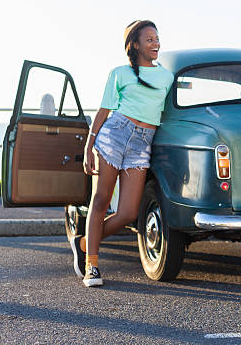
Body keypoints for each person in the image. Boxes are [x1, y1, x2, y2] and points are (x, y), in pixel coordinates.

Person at [69, 20, 174, 287]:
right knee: (102, 198)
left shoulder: (166, 77)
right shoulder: (120, 73)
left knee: (128, 213)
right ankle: (92, 264)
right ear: (135, 45)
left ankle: (82, 242)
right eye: (149, 39)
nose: (156, 44)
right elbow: (104, 110)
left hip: (142, 143)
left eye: (157, 38)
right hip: (115, 134)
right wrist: (89, 145)